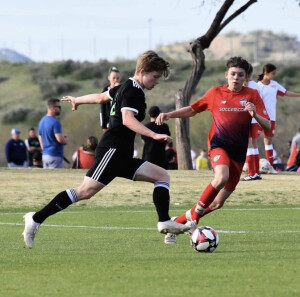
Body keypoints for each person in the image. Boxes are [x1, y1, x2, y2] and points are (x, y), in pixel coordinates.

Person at [23, 50, 191, 249]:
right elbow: (128, 120)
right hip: (112, 150)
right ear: (143, 71)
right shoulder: (133, 91)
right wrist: (153, 135)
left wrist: (78, 100)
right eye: (155, 77)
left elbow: (100, 97)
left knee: (162, 176)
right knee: (85, 191)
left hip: (123, 154)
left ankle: (164, 221)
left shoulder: (123, 87)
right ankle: (35, 219)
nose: (156, 82)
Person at [156, 56, 270, 244]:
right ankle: (193, 219)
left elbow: (267, 126)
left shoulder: (252, 96)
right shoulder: (215, 93)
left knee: (217, 203)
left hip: (238, 153)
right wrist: (170, 114)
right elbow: (192, 110)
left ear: (245, 78)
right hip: (218, 145)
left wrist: (255, 114)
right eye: (232, 74)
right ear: (226, 75)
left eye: (240, 75)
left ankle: (176, 223)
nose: (236, 77)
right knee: (220, 177)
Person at [257, 63, 300, 166]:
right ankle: (251, 164)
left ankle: (270, 166)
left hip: (271, 118)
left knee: (268, 140)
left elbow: (286, 93)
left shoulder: (274, 84)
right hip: (258, 118)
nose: (274, 75)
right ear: (266, 73)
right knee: (251, 139)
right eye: (273, 73)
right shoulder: (257, 86)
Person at [241, 64, 263, 181]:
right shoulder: (256, 85)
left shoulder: (245, 88)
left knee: (249, 145)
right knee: (254, 145)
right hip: (257, 119)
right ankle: (256, 172)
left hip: (248, 119)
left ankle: (251, 173)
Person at [38, 98, 68, 169]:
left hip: (45, 155)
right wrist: (65, 140)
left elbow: (40, 137)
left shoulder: (42, 121)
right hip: (55, 155)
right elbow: (60, 139)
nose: (60, 109)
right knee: (56, 178)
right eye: (59, 107)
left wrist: (44, 149)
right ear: (53, 108)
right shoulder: (55, 122)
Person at [100, 66, 121, 131]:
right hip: (109, 123)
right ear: (109, 78)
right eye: (113, 78)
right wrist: (103, 125)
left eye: (117, 78)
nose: (115, 80)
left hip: (120, 122)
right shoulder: (105, 90)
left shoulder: (122, 89)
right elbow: (102, 109)